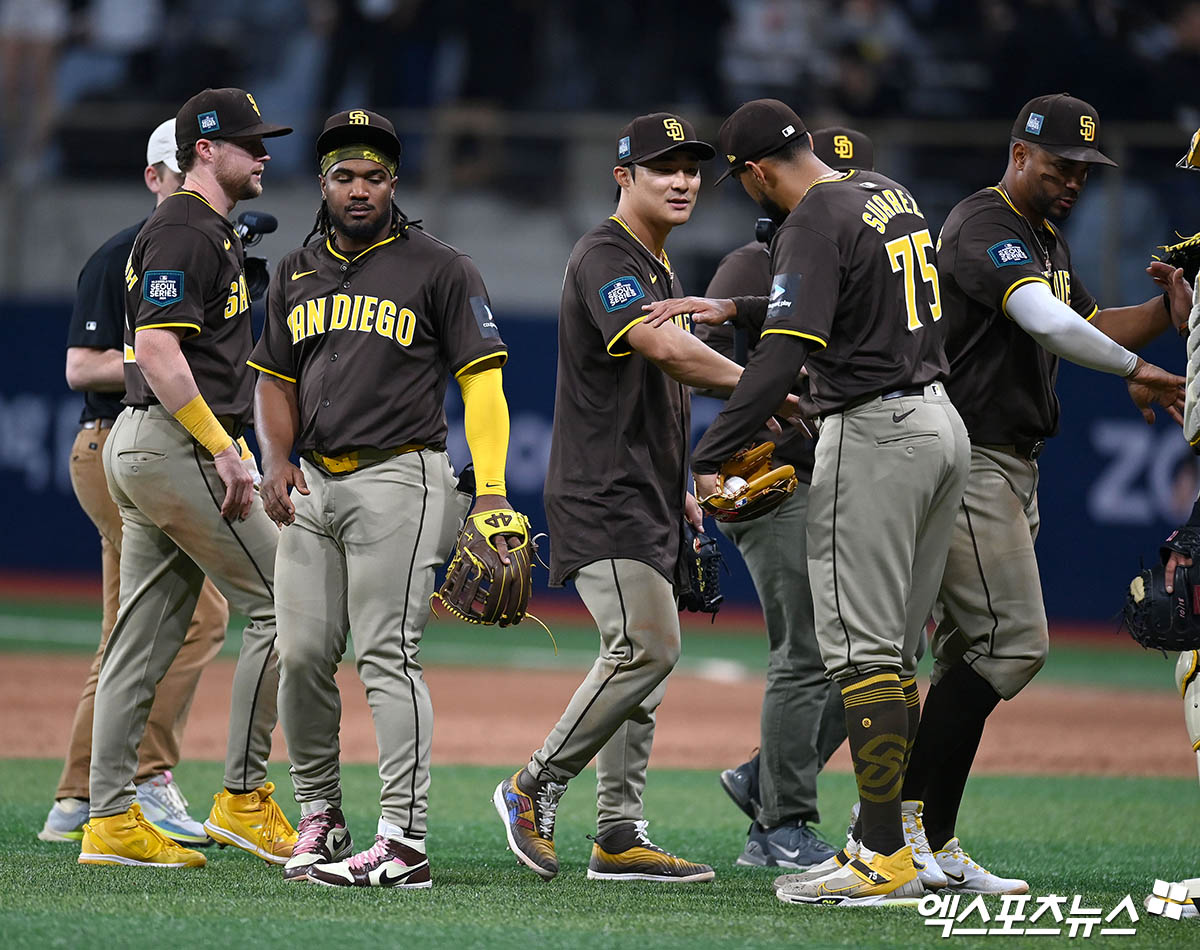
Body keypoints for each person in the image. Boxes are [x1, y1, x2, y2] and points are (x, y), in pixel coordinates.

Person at [643, 97, 971, 906]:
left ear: (755, 170)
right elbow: (859, 304)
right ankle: (879, 839)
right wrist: (739, 307)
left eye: (739, 178)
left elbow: (791, 349)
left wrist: (712, 453)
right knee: (894, 649)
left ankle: (880, 857)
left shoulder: (809, 220)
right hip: (940, 425)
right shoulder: (884, 192)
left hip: (873, 432)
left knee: (857, 655)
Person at [900, 93, 1188, 895]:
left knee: (967, 652)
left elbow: (1091, 321)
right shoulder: (983, 224)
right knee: (1014, 644)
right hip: (971, 458)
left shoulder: (1043, 237)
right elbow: (1047, 321)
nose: (1074, 182)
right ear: (1019, 154)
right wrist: (1136, 371)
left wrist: (1170, 308)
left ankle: (932, 837)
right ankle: (892, 827)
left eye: (1085, 171)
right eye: (1061, 166)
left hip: (1013, 462)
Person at [493, 113, 775, 884]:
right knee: (648, 646)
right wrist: (763, 387)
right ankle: (532, 785)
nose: (683, 180)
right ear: (624, 177)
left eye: (690, 167)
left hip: (647, 488)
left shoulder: (660, 270)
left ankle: (617, 833)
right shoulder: (605, 256)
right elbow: (661, 349)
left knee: (640, 670)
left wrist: (683, 480)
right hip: (602, 492)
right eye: (662, 168)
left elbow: (660, 392)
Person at [249, 108, 517, 889]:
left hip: (401, 476)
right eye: (344, 175)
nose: (359, 189)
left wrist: (492, 489)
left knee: (386, 657)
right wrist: (273, 456)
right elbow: (273, 379)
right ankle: (322, 816)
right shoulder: (295, 269)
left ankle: (403, 844)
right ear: (324, 183)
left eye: (373, 176)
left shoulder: (441, 266)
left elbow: (483, 381)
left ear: (393, 182)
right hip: (314, 484)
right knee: (298, 655)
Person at [79, 88, 297, 869]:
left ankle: (106, 820)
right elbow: (161, 351)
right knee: (286, 604)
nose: (264, 154)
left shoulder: (203, 229)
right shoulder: (183, 226)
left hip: (151, 445)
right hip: (175, 442)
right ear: (204, 149)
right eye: (249, 143)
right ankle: (241, 797)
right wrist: (224, 448)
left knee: (141, 639)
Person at [42, 120, 230, 848]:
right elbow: (80, 366)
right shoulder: (122, 252)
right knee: (194, 616)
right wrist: (157, 370)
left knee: (130, 627)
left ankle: (78, 797)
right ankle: (141, 780)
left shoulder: (211, 252)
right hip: (118, 442)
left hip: (157, 448)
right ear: (156, 177)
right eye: (175, 174)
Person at [707, 127, 874, 871]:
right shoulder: (753, 260)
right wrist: (763, 399)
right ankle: (781, 825)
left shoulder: (853, 252)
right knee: (806, 649)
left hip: (839, 477)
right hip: (772, 481)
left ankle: (764, 778)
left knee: (889, 649)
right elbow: (695, 355)